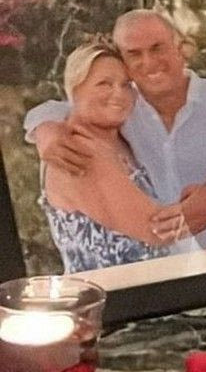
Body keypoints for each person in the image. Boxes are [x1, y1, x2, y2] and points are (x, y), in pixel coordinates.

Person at [27, 10, 206, 249]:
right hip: (177, 266)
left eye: (157, 48)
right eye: (134, 54)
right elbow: (73, 105)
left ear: (180, 49)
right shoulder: (123, 109)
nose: (149, 62)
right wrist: (45, 130)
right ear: (123, 61)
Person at [40, 42, 185, 272]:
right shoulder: (75, 150)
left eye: (126, 85)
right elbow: (158, 229)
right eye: (104, 84)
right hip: (114, 293)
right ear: (75, 89)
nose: (119, 94)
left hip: (158, 283)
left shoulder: (125, 141)